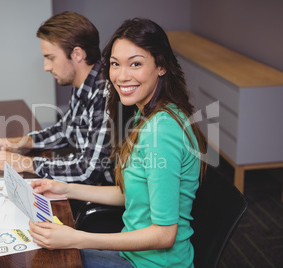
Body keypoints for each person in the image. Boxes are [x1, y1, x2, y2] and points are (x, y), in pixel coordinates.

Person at [28, 18, 207, 268]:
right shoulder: (147, 115)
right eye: (115, 64)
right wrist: (64, 188)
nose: (122, 76)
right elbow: (132, 193)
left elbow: (164, 235)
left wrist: (78, 239)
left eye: (135, 64)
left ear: (161, 67)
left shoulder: (162, 132)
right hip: (134, 256)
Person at [0, 11, 112, 185]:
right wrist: (23, 142)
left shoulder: (104, 92)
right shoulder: (85, 84)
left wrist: (24, 163)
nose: (46, 67)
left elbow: (88, 171)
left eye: (50, 58)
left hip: (99, 195)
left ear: (77, 54)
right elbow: (65, 131)